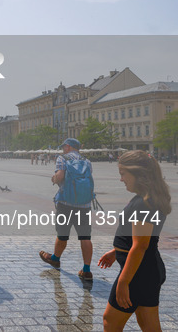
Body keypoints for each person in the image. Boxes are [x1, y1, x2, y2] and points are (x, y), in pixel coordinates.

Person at [98, 150, 171, 332]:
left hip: (139, 273)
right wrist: (117, 252)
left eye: (123, 174)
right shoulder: (146, 200)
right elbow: (140, 239)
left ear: (138, 174)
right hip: (147, 269)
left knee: (110, 321)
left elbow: (140, 246)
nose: (121, 179)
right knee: (148, 324)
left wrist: (123, 282)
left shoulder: (143, 204)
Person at [39, 138, 94, 280]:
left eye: (64, 147)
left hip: (66, 203)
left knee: (62, 234)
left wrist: (54, 178)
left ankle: (55, 258)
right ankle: (86, 269)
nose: (63, 149)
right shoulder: (87, 160)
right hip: (85, 204)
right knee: (85, 237)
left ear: (68, 147)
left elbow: (60, 176)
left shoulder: (62, 159)